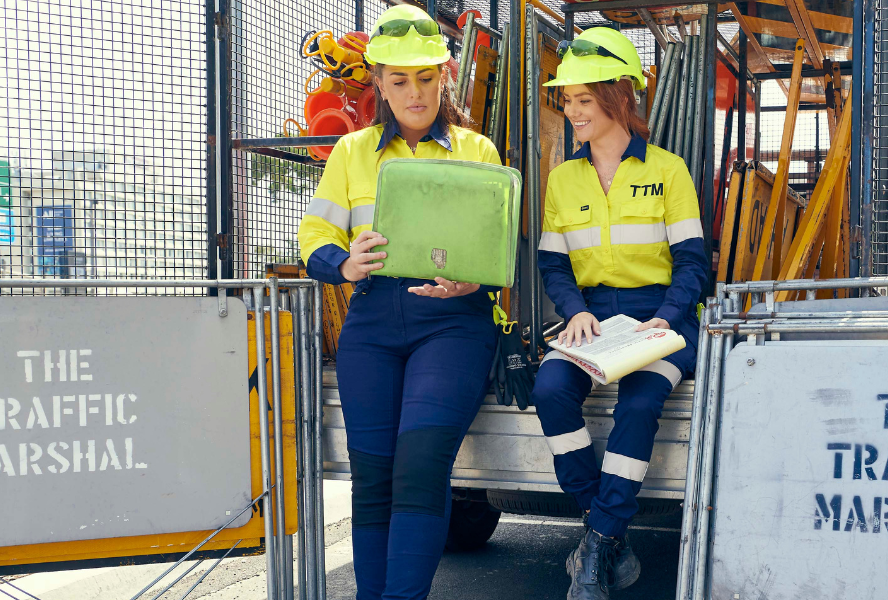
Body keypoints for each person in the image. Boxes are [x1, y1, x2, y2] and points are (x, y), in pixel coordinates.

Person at [296, 5, 502, 599]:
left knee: (419, 467)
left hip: (454, 323)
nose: (415, 93)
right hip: (373, 322)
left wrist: (477, 278)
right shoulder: (351, 152)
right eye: (400, 81)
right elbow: (314, 236)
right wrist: (343, 263)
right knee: (374, 479)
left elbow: (499, 248)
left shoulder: (477, 151)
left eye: (427, 78)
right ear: (381, 84)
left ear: (446, 76)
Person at [531, 27, 708, 600]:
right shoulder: (563, 178)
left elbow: (692, 264)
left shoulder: (669, 170)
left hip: (662, 319)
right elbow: (554, 265)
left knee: (640, 403)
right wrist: (575, 311)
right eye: (568, 101)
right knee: (550, 390)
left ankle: (597, 545)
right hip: (593, 323)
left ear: (618, 99)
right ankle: (602, 530)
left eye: (584, 100)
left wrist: (669, 315)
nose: (573, 111)